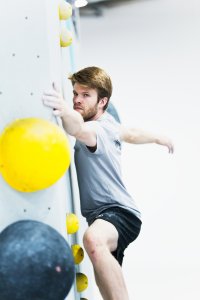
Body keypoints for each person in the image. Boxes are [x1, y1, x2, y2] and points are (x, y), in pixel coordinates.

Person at [42, 66, 174, 300]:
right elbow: (131, 133)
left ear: (102, 101)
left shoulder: (95, 130)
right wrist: (157, 137)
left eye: (85, 95)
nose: (77, 100)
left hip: (117, 213)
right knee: (106, 283)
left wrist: (63, 110)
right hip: (110, 214)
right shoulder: (110, 123)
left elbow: (77, 127)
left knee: (93, 239)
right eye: (75, 94)